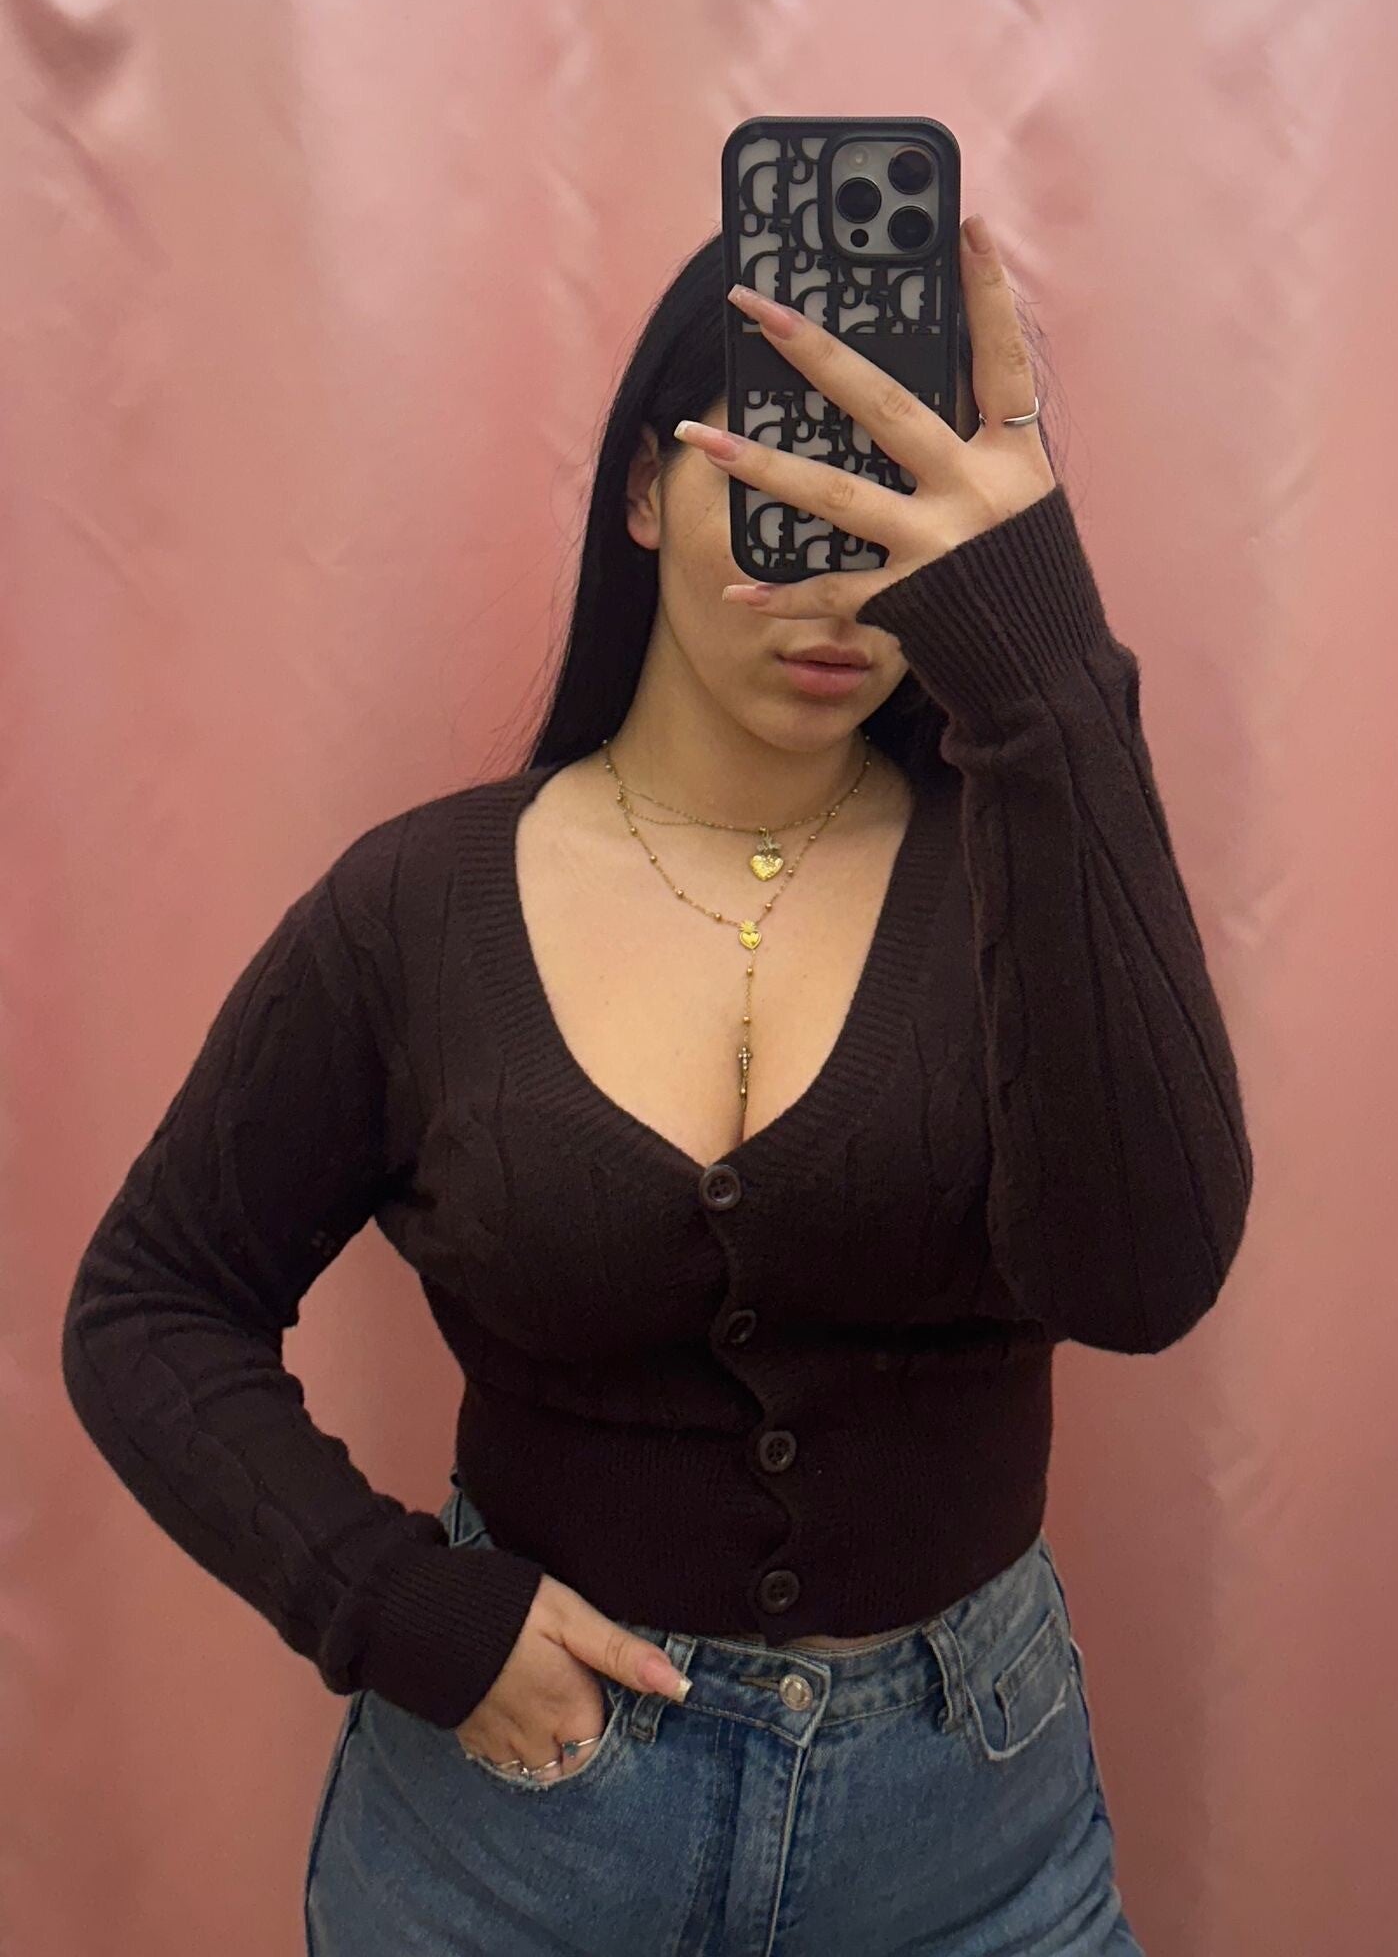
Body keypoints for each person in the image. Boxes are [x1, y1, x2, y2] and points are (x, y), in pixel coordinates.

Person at [61, 209, 1252, 1954]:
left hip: (970, 1838)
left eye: (891, 521)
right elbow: (149, 1302)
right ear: (644, 491)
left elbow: (1144, 1284)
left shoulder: (1025, 863)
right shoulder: (415, 909)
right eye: (781, 499)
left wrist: (1046, 672)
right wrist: (391, 1602)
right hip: (510, 1842)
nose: (840, 588)